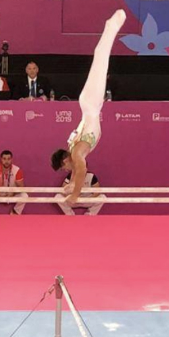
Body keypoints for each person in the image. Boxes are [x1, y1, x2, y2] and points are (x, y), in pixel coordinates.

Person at [51, 10, 126, 207]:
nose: (66, 170)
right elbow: (77, 170)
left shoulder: (76, 153)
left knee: (100, 58)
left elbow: (81, 170)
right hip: (91, 105)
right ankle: (111, 28)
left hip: (90, 104)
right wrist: (71, 185)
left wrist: (75, 195)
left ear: (65, 160)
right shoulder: (74, 153)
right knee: (100, 59)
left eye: (63, 168)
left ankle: (112, 26)